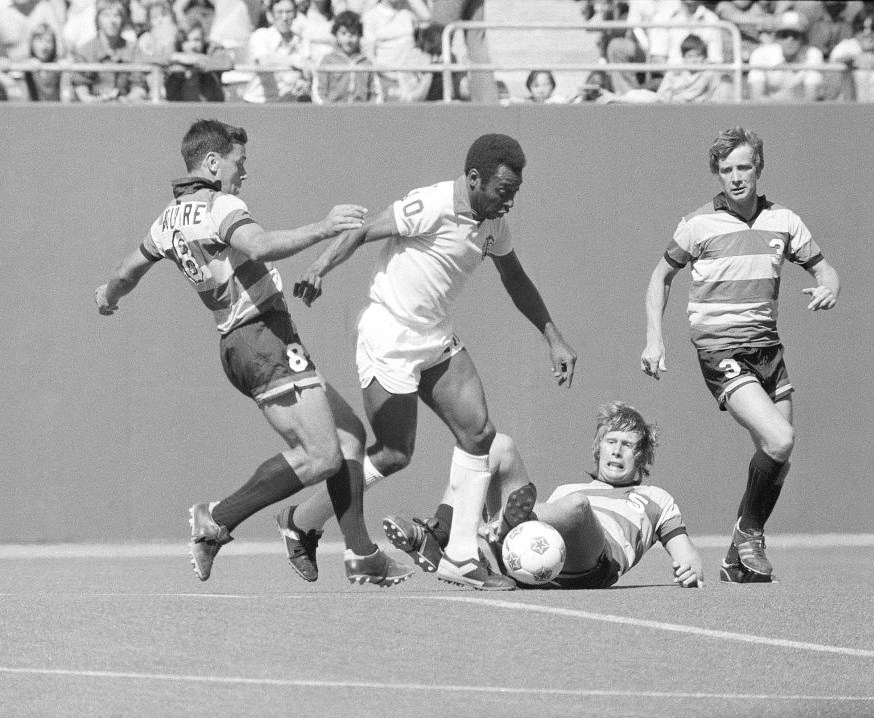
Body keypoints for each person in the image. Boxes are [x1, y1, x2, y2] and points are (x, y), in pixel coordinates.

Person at [94, 119, 413, 588]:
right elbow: (260, 244)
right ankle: (217, 520)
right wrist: (324, 227)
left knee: (349, 438)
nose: (244, 173)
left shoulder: (167, 220)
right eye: (239, 163)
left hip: (247, 341)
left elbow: (126, 270)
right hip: (261, 336)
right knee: (322, 456)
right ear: (211, 163)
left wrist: (108, 294)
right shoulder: (220, 206)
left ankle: (360, 552)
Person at [283, 133, 579, 591]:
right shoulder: (432, 204)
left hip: (435, 337)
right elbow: (362, 231)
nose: (510, 201)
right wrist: (320, 267)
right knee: (394, 453)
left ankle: (460, 556)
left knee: (479, 433)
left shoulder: (493, 223)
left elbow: (515, 278)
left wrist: (553, 338)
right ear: (475, 179)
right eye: (504, 191)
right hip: (390, 334)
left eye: (516, 192)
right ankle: (302, 520)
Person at [639, 127, 840, 583]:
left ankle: (737, 554)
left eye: (743, 167)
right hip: (720, 347)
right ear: (717, 173)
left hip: (769, 349)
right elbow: (659, 278)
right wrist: (655, 338)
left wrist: (829, 286)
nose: (735, 178)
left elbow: (825, 269)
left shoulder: (784, 221)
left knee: (778, 455)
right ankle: (749, 534)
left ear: (758, 168)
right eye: (726, 170)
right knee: (780, 439)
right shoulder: (697, 224)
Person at [477, 402, 705, 590]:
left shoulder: (656, 497)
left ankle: (503, 525)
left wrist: (691, 569)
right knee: (499, 444)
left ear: (642, 456)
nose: (617, 451)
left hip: (594, 566)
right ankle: (463, 531)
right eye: (611, 442)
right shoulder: (567, 489)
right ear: (599, 448)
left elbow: (687, 555)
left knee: (579, 506)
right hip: (526, 567)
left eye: (627, 445)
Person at [71, 0, 149, 102]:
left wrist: (126, 99)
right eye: (106, 15)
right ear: (97, 19)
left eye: (116, 15)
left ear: (123, 19)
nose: (112, 21)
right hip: (92, 110)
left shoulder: (133, 49)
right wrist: (97, 100)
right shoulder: (85, 51)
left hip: (125, 110)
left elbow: (139, 86)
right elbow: (81, 89)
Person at [241, 0, 313, 102]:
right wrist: (292, 62)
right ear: (270, 15)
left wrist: (304, 81)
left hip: (288, 105)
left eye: (289, 12)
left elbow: (307, 67)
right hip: (257, 104)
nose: (284, 17)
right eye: (279, 12)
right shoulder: (260, 36)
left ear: (295, 14)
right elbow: (264, 61)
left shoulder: (302, 40)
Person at [747, 10, 824, 102]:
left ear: (803, 39)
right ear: (776, 38)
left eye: (795, 35)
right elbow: (757, 97)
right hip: (766, 113)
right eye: (784, 35)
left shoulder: (813, 54)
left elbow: (811, 98)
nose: (790, 40)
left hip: (802, 113)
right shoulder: (759, 54)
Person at [361, 0, 430, 102]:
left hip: (410, 77)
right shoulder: (371, 15)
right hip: (383, 77)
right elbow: (369, 55)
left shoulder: (408, 12)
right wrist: (386, 74)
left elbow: (428, 18)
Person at [314, 10, 379, 103]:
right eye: (343, 33)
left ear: (360, 35)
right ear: (336, 35)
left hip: (362, 113)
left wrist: (369, 109)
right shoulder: (327, 61)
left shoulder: (367, 62)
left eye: (353, 33)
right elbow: (319, 93)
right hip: (332, 112)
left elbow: (375, 94)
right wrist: (327, 109)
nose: (349, 38)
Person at [824, 9, 874, 102]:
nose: (867, 32)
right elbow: (830, 91)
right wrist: (856, 59)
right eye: (861, 28)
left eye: (873, 27)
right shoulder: (845, 47)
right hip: (848, 110)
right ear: (854, 30)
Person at [655, 33, 728, 103]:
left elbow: (715, 95)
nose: (694, 60)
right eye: (690, 56)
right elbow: (663, 95)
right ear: (683, 57)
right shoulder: (674, 74)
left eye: (698, 56)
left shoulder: (709, 74)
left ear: (704, 57)